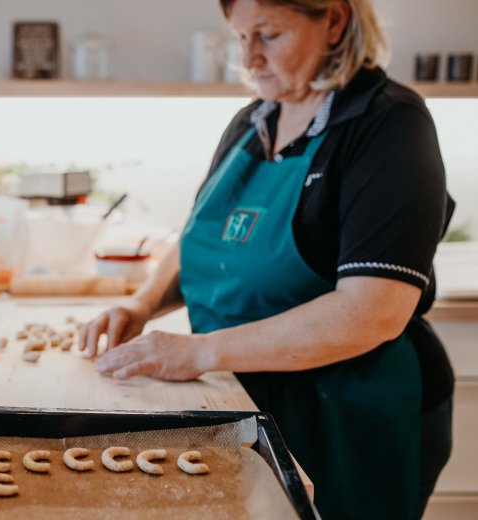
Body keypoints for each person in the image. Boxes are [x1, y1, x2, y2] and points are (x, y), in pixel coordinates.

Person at [79, 1, 455, 518]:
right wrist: (142, 305)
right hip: (243, 395)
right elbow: (201, 238)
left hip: (350, 411)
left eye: (269, 35)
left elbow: (373, 311)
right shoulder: (252, 121)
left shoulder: (388, 123)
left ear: (335, 21)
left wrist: (199, 352)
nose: (249, 58)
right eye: (240, 37)